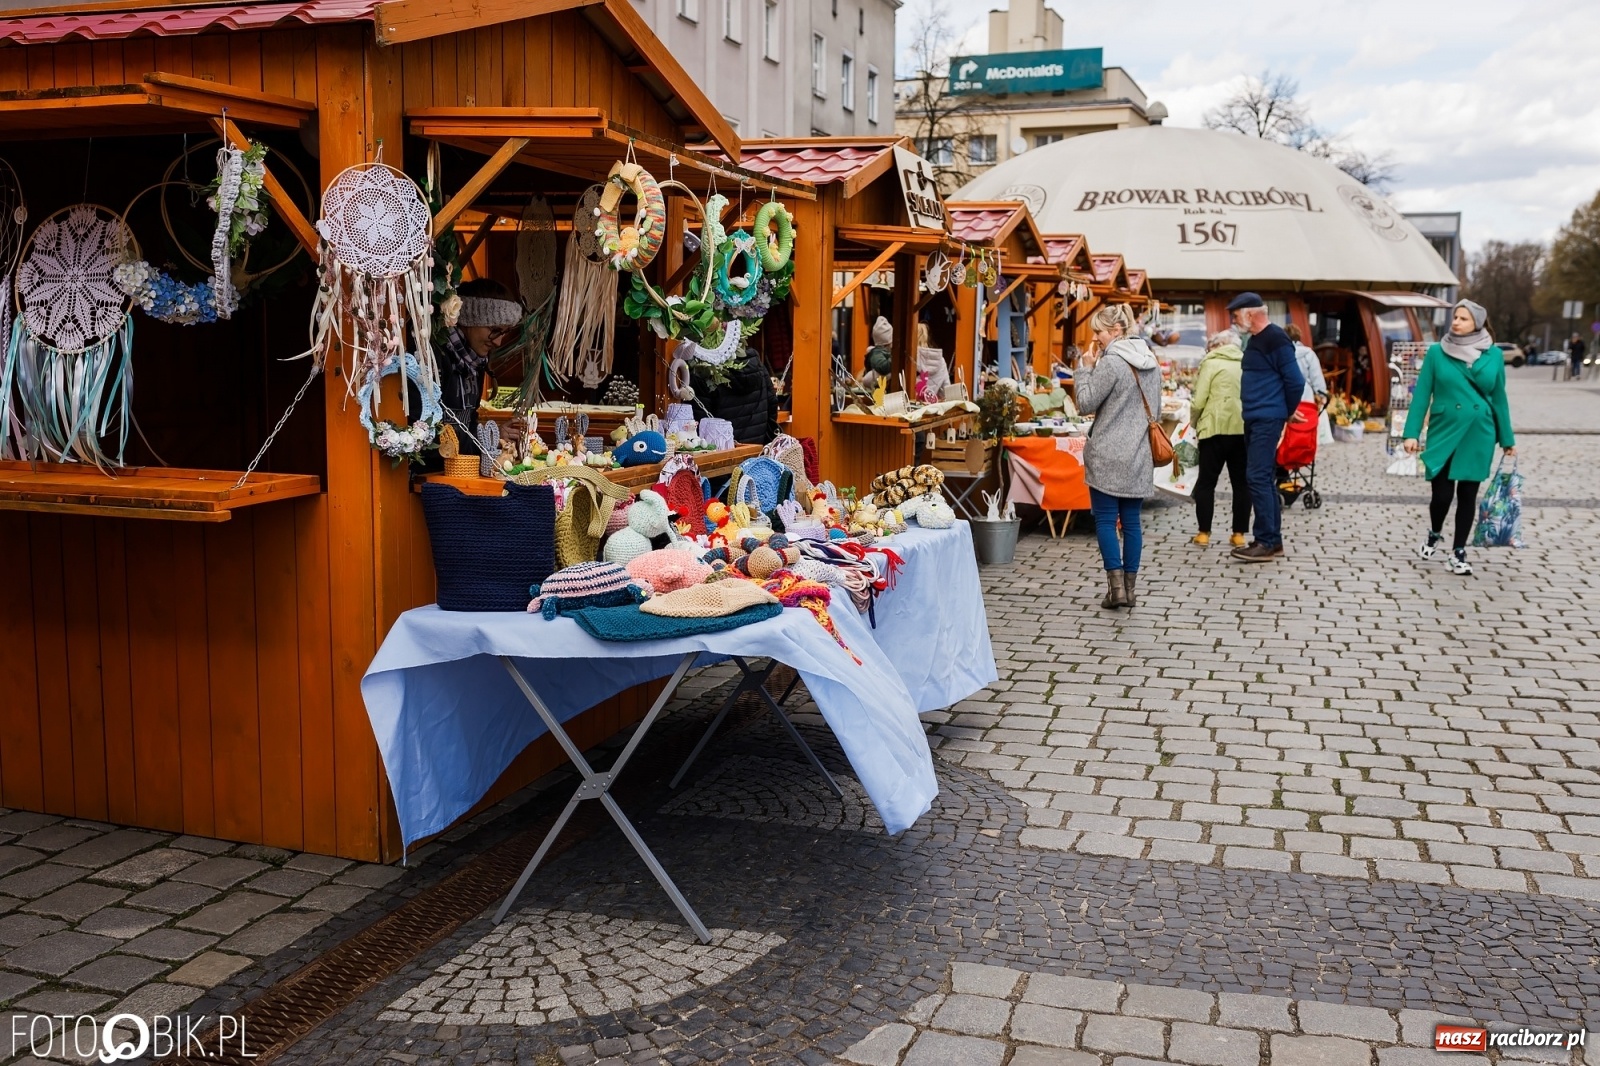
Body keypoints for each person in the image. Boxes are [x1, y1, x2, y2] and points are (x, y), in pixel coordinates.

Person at [1402, 299, 1515, 575]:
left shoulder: (1494, 355)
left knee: (1467, 494)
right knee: (1441, 495)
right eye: (1455, 317)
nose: (1456, 322)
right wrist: (1411, 433)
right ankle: (1435, 531)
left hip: (1479, 432)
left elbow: (1499, 397)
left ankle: (1458, 552)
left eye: (1463, 319)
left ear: (1476, 323)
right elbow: (1422, 395)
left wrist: (1507, 438)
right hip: (1444, 429)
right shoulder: (1437, 353)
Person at [1075, 303, 1162, 609]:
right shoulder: (1152, 362)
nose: (1095, 337)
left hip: (1107, 454)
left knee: (1106, 522)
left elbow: (1085, 403)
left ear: (1114, 331)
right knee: (1133, 523)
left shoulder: (1111, 363)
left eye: (1098, 331)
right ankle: (1130, 589)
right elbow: (1157, 412)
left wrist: (1084, 367)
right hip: (1139, 455)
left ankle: (1116, 591)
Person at [1226, 293, 1305, 562]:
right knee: (1264, 478)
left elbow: (1295, 381)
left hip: (1266, 418)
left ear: (1250, 314)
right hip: (1258, 417)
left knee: (1257, 477)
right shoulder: (1259, 340)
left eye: (1236, 316)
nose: (1233, 321)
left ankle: (1265, 541)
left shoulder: (1275, 338)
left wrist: (1286, 412)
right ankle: (1273, 540)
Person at [440, 278, 524, 452]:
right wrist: (489, 438)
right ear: (470, 319)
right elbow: (429, 433)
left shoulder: (476, 362)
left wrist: (493, 435)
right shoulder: (437, 356)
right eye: (494, 330)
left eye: (505, 332)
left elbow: (469, 422)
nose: (499, 342)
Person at [1188, 330, 1250, 548]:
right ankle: (1239, 534)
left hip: (1213, 428)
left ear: (1218, 345)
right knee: (1241, 484)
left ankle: (1204, 533)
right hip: (1242, 427)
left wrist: (1194, 423)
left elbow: (1198, 401)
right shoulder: (1246, 362)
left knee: (1206, 482)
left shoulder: (1211, 363)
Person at [1285, 324, 1329, 403]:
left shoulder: (1281, 353)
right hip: (1305, 397)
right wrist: (1322, 395)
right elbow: (1316, 376)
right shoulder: (1308, 353)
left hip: (1285, 396)